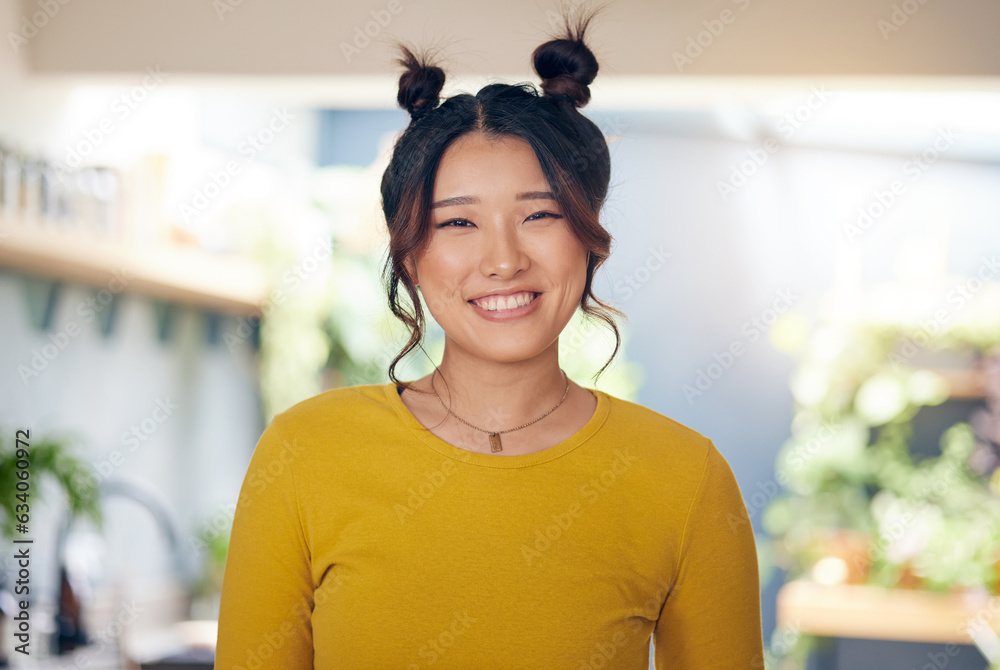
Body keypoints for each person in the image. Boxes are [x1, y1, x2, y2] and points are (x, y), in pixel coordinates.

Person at [214, 8, 764, 669]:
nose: (503, 260)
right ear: (410, 255)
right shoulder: (302, 455)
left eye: (539, 214)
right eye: (457, 224)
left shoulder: (686, 480)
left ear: (588, 239)